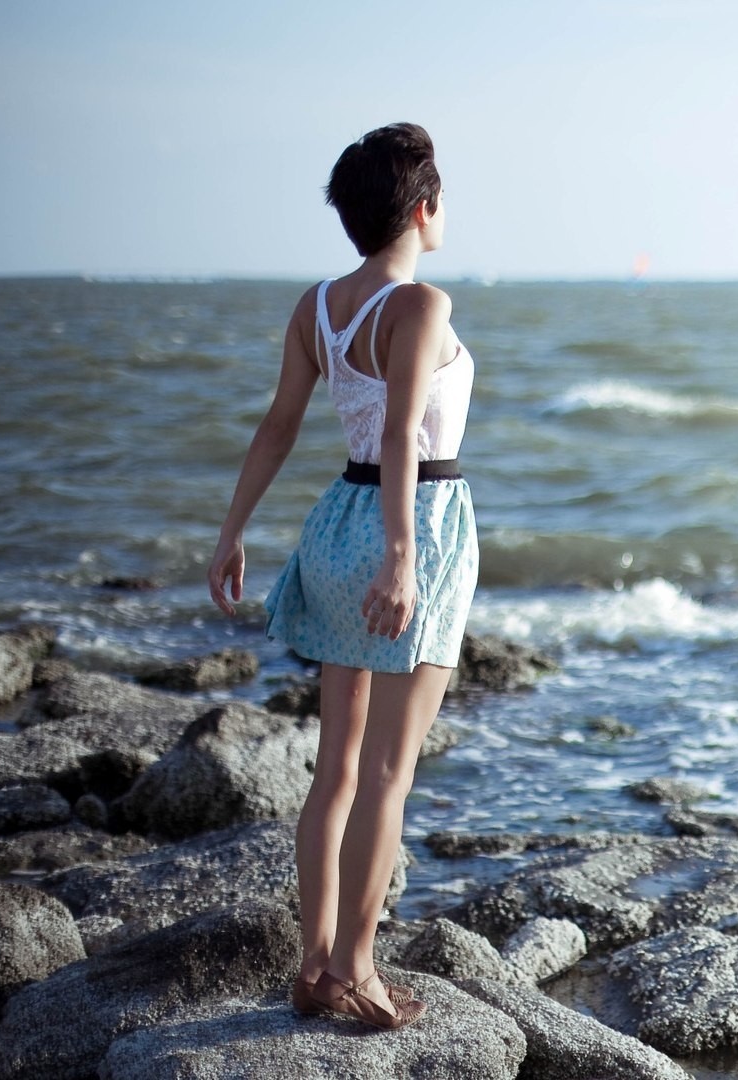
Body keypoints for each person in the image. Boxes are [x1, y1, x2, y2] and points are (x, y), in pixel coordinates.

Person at [206, 122, 478, 1031]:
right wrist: (405, 555)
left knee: (337, 772)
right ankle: (356, 973)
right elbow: (405, 435)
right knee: (390, 774)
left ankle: (312, 965)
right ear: (423, 207)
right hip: (414, 524)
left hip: (334, 525)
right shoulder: (421, 305)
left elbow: (278, 426)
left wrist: (232, 533)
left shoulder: (318, 304)